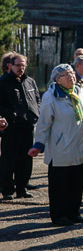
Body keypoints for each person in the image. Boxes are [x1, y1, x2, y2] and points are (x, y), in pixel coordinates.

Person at [29, 63, 83, 225]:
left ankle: (74, 213)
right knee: (60, 185)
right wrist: (39, 144)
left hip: (78, 145)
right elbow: (44, 123)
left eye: (71, 73)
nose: (71, 76)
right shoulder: (51, 97)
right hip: (60, 147)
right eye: (66, 75)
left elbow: (79, 116)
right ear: (57, 80)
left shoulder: (78, 92)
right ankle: (59, 215)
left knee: (76, 183)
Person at [0, 52, 41, 199]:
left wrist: (36, 113)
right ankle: (7, 190)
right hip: (11, 128)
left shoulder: (30, 82)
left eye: (23, 65)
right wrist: (8, 117)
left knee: (25, 160)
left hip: (28, 127)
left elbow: (37, 100)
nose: (21, 68)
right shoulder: (3, 82)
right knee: (8, 160)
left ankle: (22, 188)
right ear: (10, 65)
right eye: (18, 65)